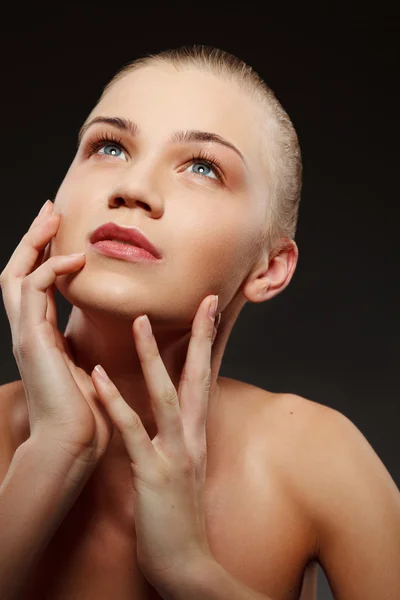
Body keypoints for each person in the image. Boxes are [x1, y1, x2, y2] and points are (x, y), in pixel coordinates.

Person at [0, 45, 399, 600]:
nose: (133, 189)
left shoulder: (317, 457)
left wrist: (190, 571)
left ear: (269, 267)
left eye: (204, 167)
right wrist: (54, 452)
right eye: (110, 146)